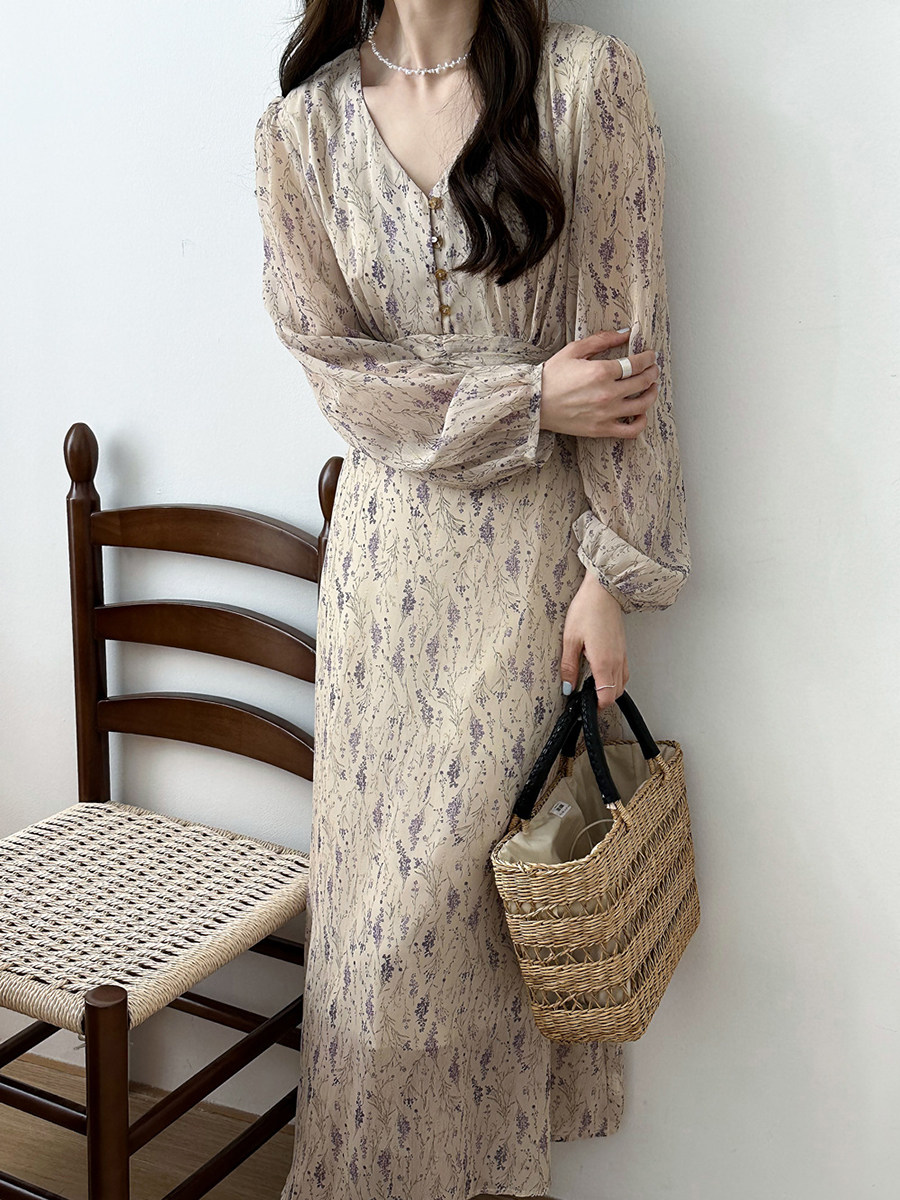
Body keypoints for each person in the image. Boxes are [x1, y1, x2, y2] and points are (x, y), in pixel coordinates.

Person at [254, 2, 691, 1197]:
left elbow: (632, 356)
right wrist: (526, 400)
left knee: (474, 946)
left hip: (531, 586)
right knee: (371, 955)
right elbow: (338, 375)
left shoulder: (586, 86)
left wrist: (610, 576)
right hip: (381, 579)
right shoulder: (302, 130)